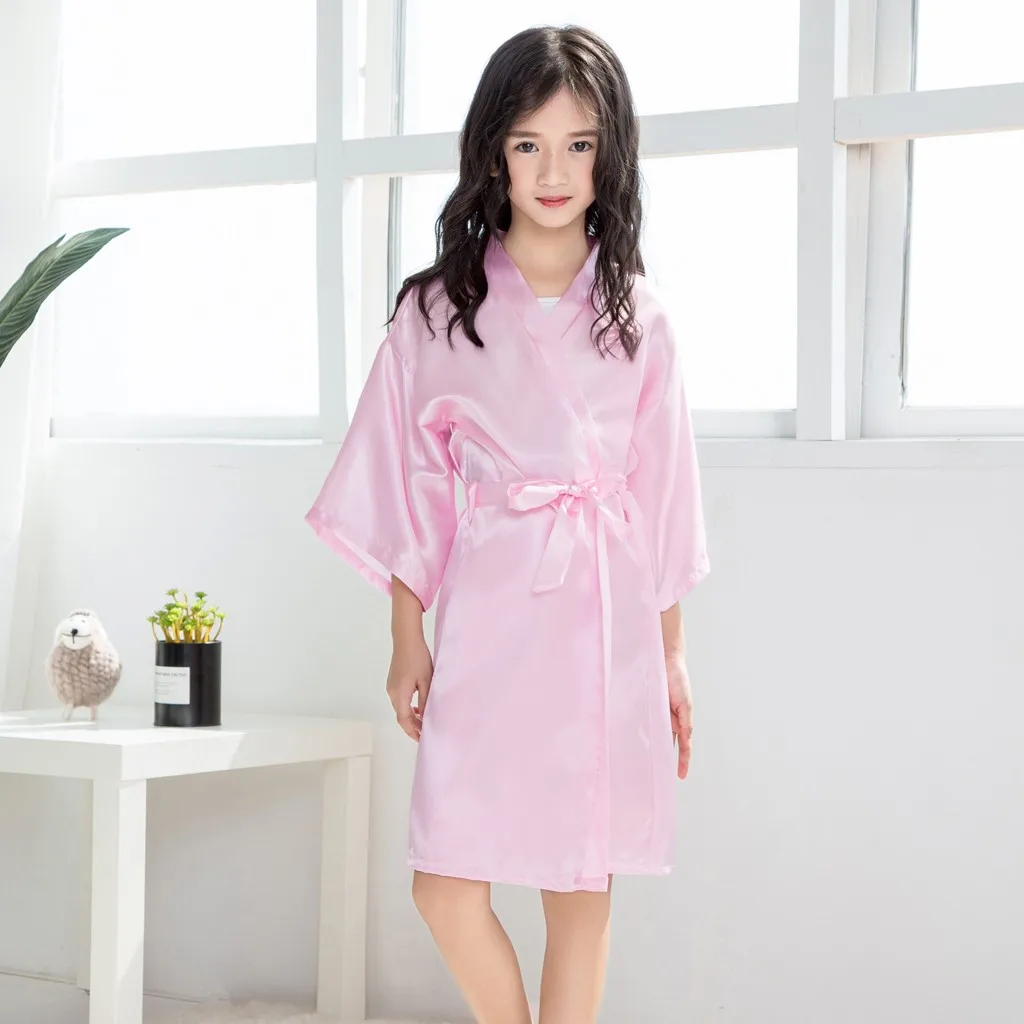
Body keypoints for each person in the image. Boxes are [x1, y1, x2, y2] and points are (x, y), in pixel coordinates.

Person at [306, 23, 710, 1024]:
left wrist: (671, 656)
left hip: (602, 624)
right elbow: (408, 480)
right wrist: (406, 632)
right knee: (445, 884)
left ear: (610, 155)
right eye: (529, 143)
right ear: (494, 150)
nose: (553, 171)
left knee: (579, 889)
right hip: (489, 619)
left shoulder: (640, 318)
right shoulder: (438, 311)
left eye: (578, 145)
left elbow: (664, 497)